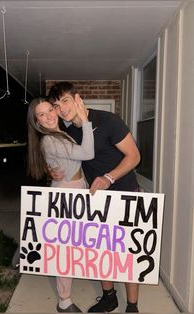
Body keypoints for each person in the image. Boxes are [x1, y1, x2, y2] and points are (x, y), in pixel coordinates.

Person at [48, 81, 141, 313]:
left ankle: (132, 306)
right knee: (103, 250)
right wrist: (52, 169)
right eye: (56, 105)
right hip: (96, 199)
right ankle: (109, 297)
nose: (62, 109)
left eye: (65, 101)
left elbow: (134, 156)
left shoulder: (108, 121)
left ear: (78, 99)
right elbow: (67, 161)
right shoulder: (68, 132)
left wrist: (109, 178)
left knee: (127, 252)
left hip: (125, 192)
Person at [27, 97, 95, 313]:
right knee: (65, 250)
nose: (48, 116)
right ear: (36, 121)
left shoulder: (60, 133)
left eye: (50, 110)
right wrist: (85, 119)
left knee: (70, 246)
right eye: (41, 114)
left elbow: (67, 162)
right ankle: (64, 301)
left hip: (73, 188)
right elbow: (88, 154)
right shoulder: (50, 140)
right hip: (66, 192)